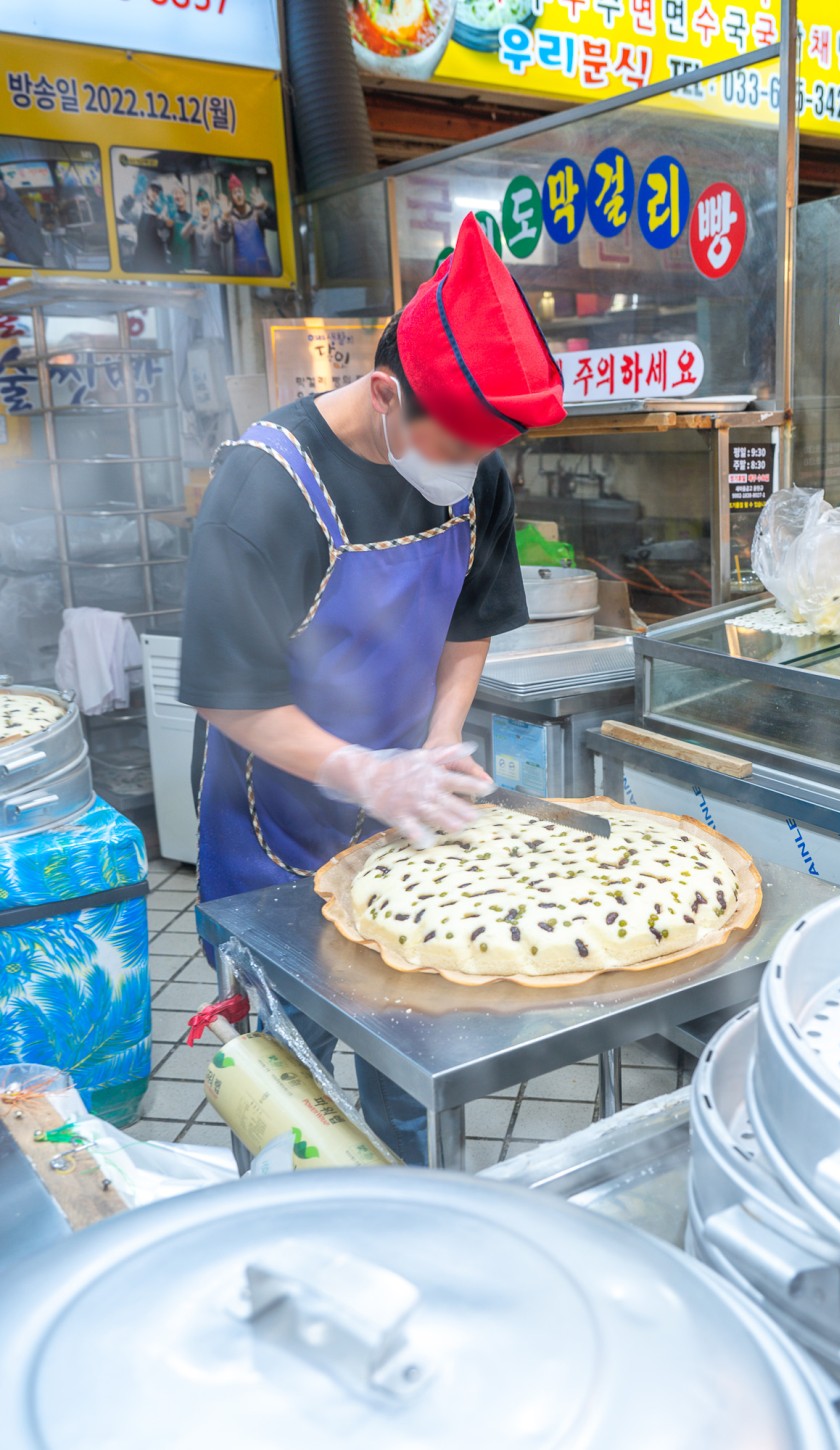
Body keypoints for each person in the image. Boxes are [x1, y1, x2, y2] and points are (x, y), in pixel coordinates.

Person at [180, 213, 566, 1164]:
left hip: (403, 830)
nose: (469, 474)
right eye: (460, 448)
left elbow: (468, 622)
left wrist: (432, 747)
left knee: (413, 1089)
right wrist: (364, 771)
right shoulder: (265, 488)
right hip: (272, 836)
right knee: (291, 1114)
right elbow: (230, 695)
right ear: (385, 391)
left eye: (484, 453)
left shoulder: (473, 478)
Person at [218, 173, 276, 277]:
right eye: (235, 193)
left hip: (263, 271)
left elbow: (276, 226)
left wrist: (266, 207)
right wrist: (224, 218)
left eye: (240, 191)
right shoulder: (231, 218)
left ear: (244, 193)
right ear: (232, 197)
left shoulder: (257, 213)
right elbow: (224, 238)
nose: (238, 195)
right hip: (242, 272)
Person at [0, 176, 46, 267]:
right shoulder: (10, 200)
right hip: (26, 252)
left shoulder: (10, 202)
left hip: (25, 255)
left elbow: (15, 230)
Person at [128, 181, 171, 273]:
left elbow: (165, 236)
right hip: (142, 257)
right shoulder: (139, 208)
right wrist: (133, 196)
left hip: (158, 258)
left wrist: (161, 217)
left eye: (158, 192)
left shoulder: (164, 212)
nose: (155, 193)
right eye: (153, 190)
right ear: (148, 191)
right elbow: (125, 213)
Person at [184, 188, 227, 274]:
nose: (204, 206)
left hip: (215, 269)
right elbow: (185, 237)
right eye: (201, 203)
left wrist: (219, 220)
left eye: (206, 203)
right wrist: (191, 225)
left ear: (210, 205)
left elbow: (221, 238)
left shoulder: (217, 221)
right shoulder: (193, 222)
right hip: (198, 270)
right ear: (198, 206)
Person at [166, 182, 193, 273]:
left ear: (185, 196)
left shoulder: (191, 218)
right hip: (173, 263)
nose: (178, 196)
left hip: (187, 262)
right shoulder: (169, 216)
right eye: (175, 193)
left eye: (180, 193)